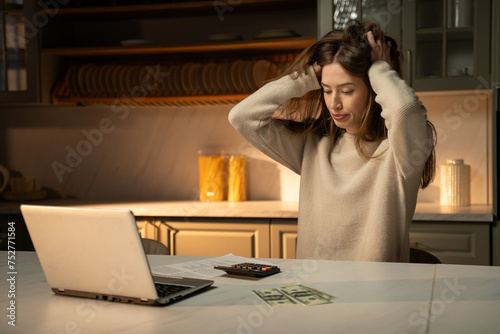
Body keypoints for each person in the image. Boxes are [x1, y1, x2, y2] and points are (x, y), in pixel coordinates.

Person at [228, 20, 436, 262]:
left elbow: (404, 109)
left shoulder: (399, 150)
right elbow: (241, 117)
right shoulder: (312, 146)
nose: (334, 103)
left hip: (376, 295)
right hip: (314, 293)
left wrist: (379, 68)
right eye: (327, 90)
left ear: (374, 89)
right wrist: (305, 78)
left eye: (347, 91)